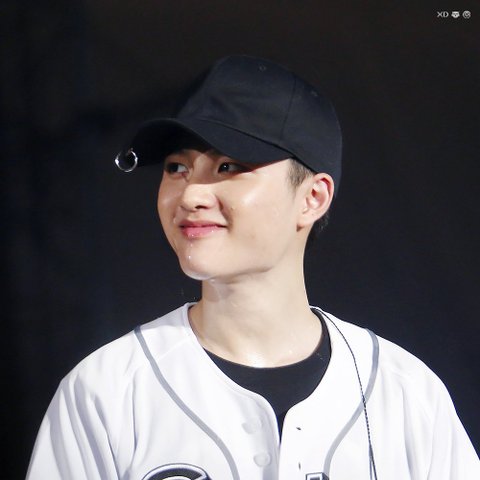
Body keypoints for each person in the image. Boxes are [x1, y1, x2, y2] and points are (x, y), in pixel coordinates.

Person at [27, 55, 479, 480]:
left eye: (228, 166)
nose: (191, 195)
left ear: (313, 198)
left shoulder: (407, 395)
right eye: (177, 167)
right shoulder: (106, 390)